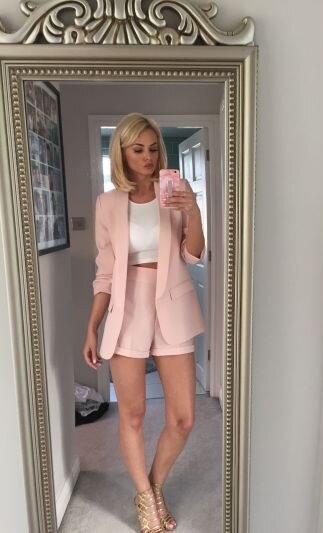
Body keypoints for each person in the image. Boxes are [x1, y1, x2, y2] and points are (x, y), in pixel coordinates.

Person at [82, 112, 206, 532]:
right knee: (132, 413)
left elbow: (192, 254)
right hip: (126, 308)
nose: (148, 157)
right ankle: (145, 498)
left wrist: (194, 211)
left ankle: (153, 486)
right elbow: (104, 272)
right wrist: (92, 326)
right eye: (138, 149)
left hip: (173, 304)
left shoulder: (175, 193)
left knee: (183, 418)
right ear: (122, 152)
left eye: (153, 148)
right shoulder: (108, 204)